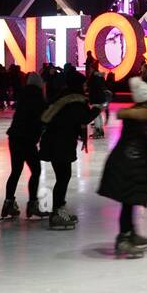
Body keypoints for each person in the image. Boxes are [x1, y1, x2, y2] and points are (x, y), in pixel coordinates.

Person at [98, 78, 147, 257]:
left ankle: (131, 233)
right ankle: (123, 239)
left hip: (126, 162)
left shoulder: (135, 117)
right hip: (130, 166)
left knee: (129, 202)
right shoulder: (143, 121)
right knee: (128, 202)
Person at [38, 74, 102, 229]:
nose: (86, 87)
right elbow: (84, 118)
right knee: (63, 177)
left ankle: (59, 210)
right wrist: (97, 109)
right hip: (60, 144)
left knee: (63, 177)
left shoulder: (65, 98)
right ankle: (57, 213)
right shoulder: (74, 101)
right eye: (84, 84)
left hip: (56, 143)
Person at [2, 73, 47, 220]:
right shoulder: (39, 98)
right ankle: (32, 204)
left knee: (16, 171)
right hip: (27, 139)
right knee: (36, 170)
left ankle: (8, 203)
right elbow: (43, 119)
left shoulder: (23, 96)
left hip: (14, 137)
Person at [87, 69, 110, 139]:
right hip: (100, 99)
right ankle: (100, 131)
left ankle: (98, 131)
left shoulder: (93, 79)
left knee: (96, 116)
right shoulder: (100, 78)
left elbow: (92, 90)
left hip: (96, 99)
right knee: (98, 115)